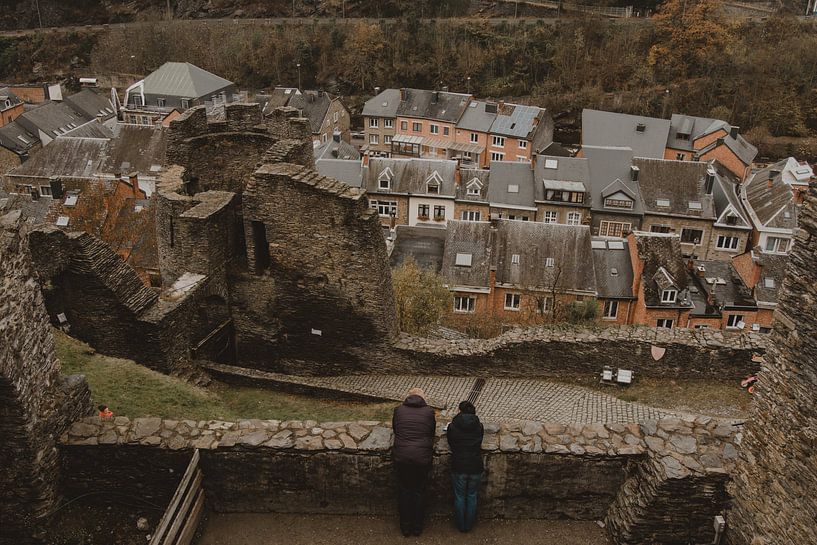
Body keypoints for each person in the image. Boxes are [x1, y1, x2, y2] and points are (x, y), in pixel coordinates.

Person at [392, 387, 436, 537]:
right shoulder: (429, 412)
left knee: (404, 492)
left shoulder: (398, 410)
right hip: (421, 458)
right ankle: (417, 527)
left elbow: (396, 429)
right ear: (423, 398)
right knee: (419, 492)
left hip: (402, 457)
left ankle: (405, 527)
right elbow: (431, 432)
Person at [446, 400, 484, 533]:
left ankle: (461, 525)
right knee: (472, 495)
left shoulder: (452, 426)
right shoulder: (479, 426)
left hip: (459, 464)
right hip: (475, 464)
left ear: (460, 411)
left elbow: (450, 442)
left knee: (460, 496)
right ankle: (469, 525)